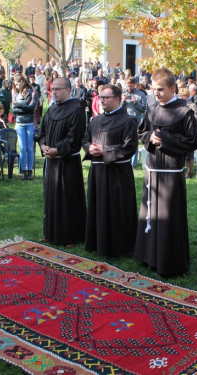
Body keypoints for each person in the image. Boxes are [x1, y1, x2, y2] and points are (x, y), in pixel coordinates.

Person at [134, 68, 197, 276]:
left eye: (161, 89)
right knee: (150, 214)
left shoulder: (185, 111)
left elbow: (191, 141)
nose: (157, 94)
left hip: (171, 171)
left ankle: (169, 259)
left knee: (168, 216)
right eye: (154, 90)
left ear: (173, 88)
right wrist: (151, 136)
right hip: (152, 170)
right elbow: (142, 131)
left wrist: (165, 139)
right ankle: (149, 256)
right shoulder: (152, 109)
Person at [82, 84, 138, 256]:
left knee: (117, 209)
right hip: (97, 172)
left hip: (118, 174)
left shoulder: (128, 121)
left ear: (116, 99)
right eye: (100, 97)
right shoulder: (96, 120)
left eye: (106, 97)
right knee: (98, 207)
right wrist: (89, 148)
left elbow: (129, 147)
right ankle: (97, 242)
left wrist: (104, 150)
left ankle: (119, 246)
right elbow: (85, 139)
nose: (102, 100)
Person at [37, 77, 86, 247]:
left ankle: (71, 236)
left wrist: (57, 150)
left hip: (67, 163)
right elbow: (41, 132)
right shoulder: (50, 110)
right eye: (53, 89)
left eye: (58, 89)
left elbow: (75, 138)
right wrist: (43, 145)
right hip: (51, 162)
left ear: (68, 90)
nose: (55, 92)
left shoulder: (77, 111)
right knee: (51, 197)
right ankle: (51, 232)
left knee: (68, 199)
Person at [12, 74, 38, 180]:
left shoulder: (33, 93)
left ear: (23, 81)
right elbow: (14, 110)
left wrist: (19, 105)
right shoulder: (15, 94)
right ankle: (24, 170)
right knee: (22, 148)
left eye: (18, 83)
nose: (17, 86)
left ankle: (30, 170)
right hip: (19, 123)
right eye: (16, 84)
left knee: (30, 148)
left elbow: (32, 108)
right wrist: (23, 107)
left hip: (30, 123)